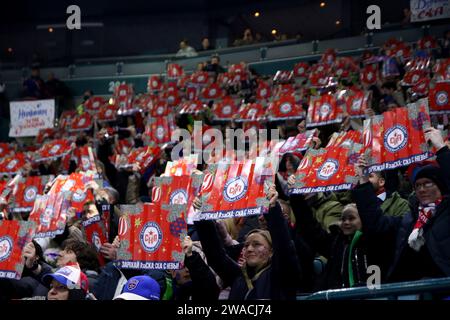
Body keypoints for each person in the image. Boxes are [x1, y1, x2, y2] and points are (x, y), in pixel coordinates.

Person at [352, 127, 450, 283]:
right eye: (417, 185)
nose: (422, 189)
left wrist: (442, 149)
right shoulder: (410, 219)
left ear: (441, 186)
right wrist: (363, 183)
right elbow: (377, 224)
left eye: (428, 184)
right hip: (408, 291)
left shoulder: (446, 212)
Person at [193, 185, 301, 300]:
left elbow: (283, 245)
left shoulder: (282, 274)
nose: (249, 249)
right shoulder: (237, 276)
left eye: (256, 244)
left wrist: (272, 208)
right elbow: (216, 255)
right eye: (246, 245)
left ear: (271, 251)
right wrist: (203, 216)